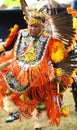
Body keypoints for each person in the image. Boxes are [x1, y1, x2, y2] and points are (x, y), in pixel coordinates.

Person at [0, 0, 74, 129]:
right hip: (20, 69)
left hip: (40, 74)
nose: (32, 29)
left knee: (40, 99)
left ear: (42, 27)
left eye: (35, 26)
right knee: (6, 81)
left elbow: (56, 59)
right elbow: (7, 46)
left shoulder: (49, 40)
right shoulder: (21, 33)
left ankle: (40, 124)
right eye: (30, 25)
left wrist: (58, 75)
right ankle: (14, 111)